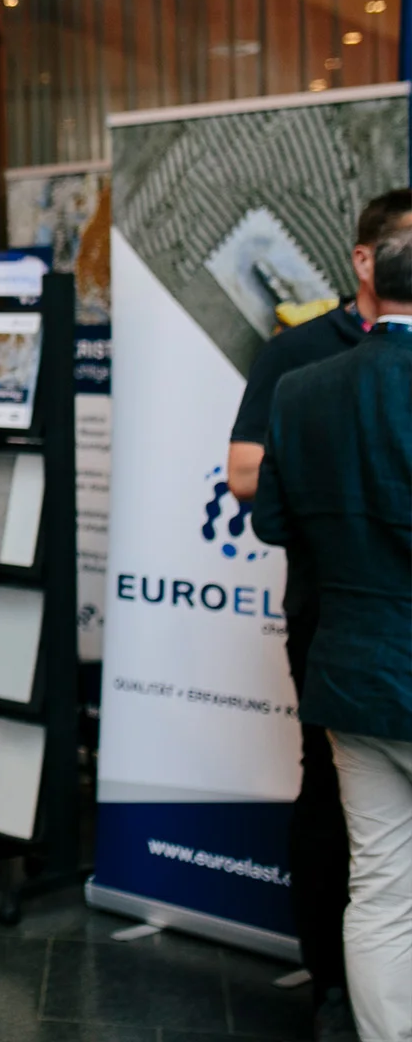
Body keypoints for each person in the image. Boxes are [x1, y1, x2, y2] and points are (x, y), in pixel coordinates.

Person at [227, 187, 408, 1038]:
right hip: (345, 634)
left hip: (352, 651)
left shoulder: (310, 387)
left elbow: (272, 513)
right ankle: (340, 995)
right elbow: (251, 484)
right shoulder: (298, 363)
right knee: (345, 835)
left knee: (378, 877)